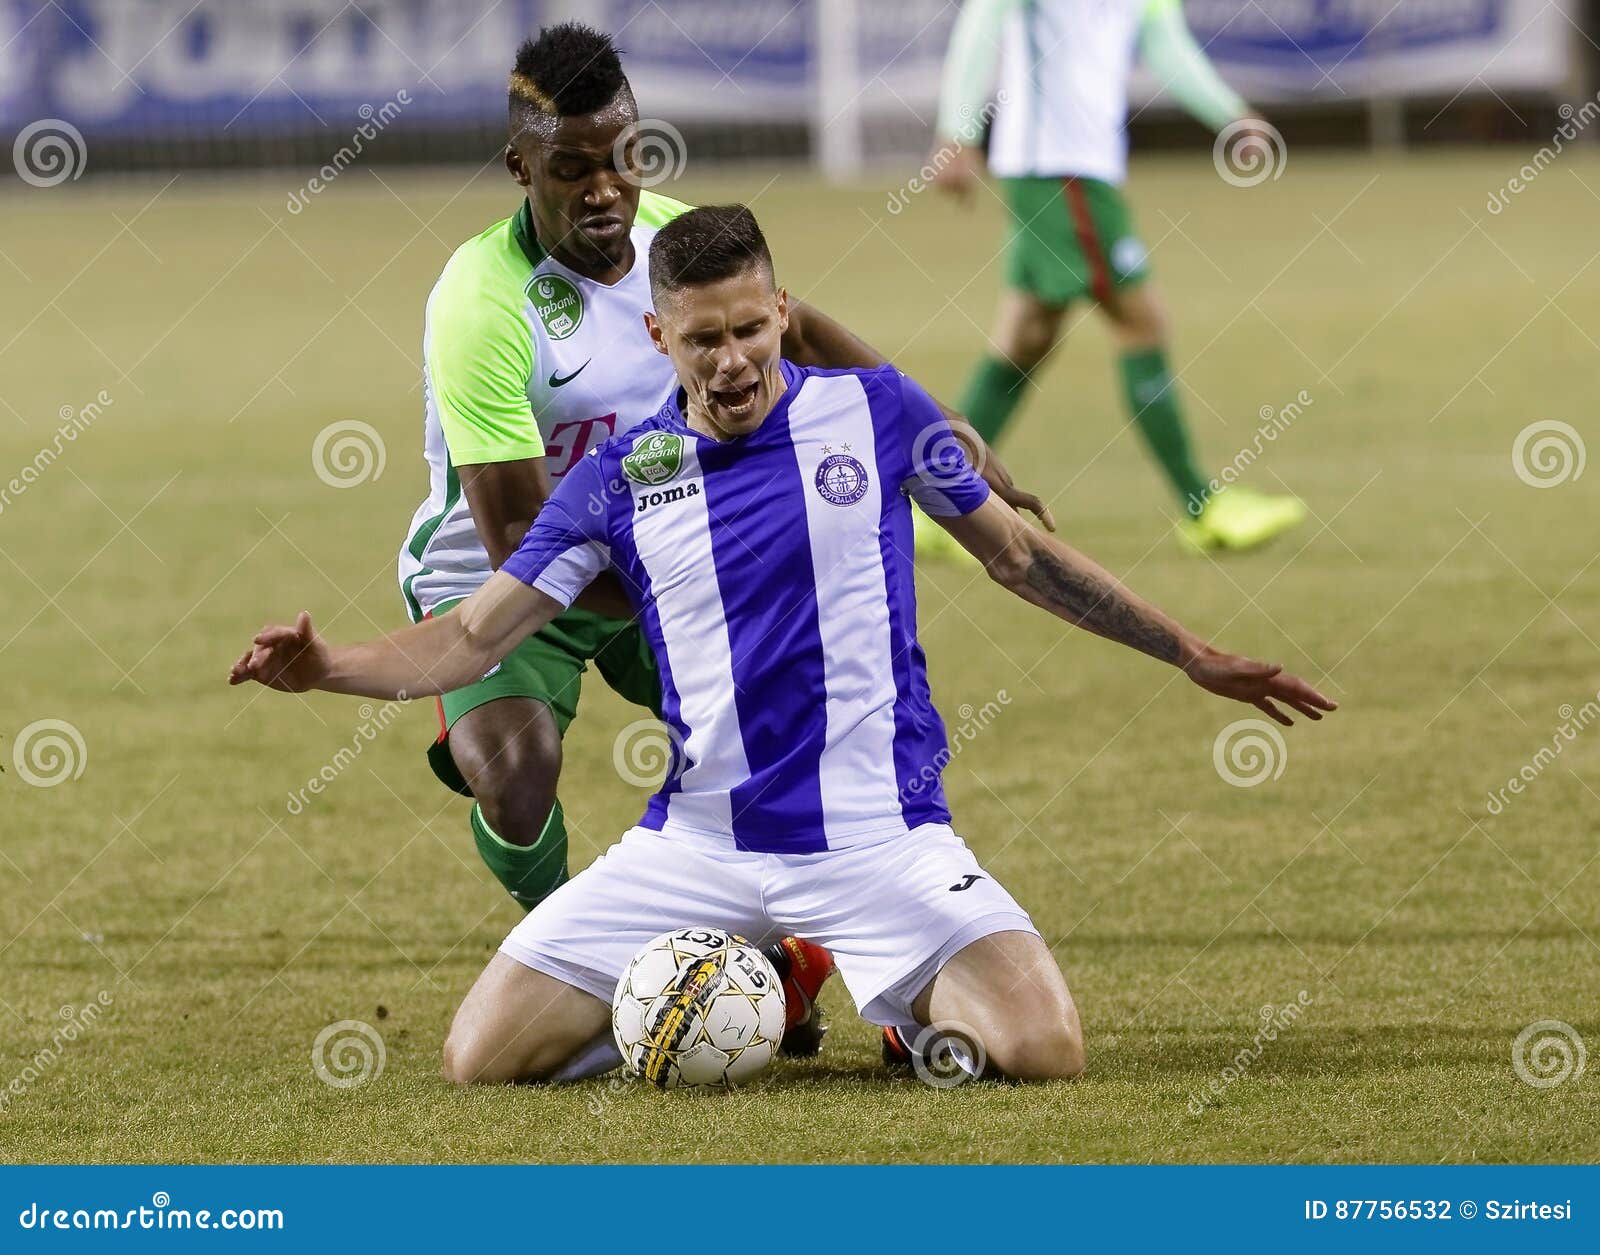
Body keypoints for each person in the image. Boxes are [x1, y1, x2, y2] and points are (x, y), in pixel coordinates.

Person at [233, 204, 1334, 1083]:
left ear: (781, 314)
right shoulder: (617, 480)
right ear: (660, 337)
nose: (730, 362)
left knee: (1044, 1050)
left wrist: (1190, 651)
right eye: (702, 338)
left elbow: (1019, 558)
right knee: (478, 1058)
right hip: (698, 845)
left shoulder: (878, 412)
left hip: (878, 835)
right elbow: (474, 638)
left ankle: (900, 1017)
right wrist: (325, 667)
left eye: (749, 329)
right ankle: (713, 986)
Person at [399, 22, 1047, 1050]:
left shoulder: (676, 245)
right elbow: (518, 528)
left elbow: (809, 336)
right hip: (508, 573)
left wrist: (968, 462)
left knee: (793, 747)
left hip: (665, 547)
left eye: (624, 155)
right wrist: (691, 588)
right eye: (573, 169)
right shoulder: (478, 302)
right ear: (521, 166)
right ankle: (597, 960)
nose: (606, 186)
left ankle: (862, 970)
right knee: (514, 775)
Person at [930, 0, 1305, 551]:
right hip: (1058, 171)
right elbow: (983, 19)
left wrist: (1231, 114)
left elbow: (1166, 48)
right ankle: (1203, 508)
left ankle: (937, 505)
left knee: (1024, 343)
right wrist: (958, 131)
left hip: (1075, 171)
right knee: (1141, 324)